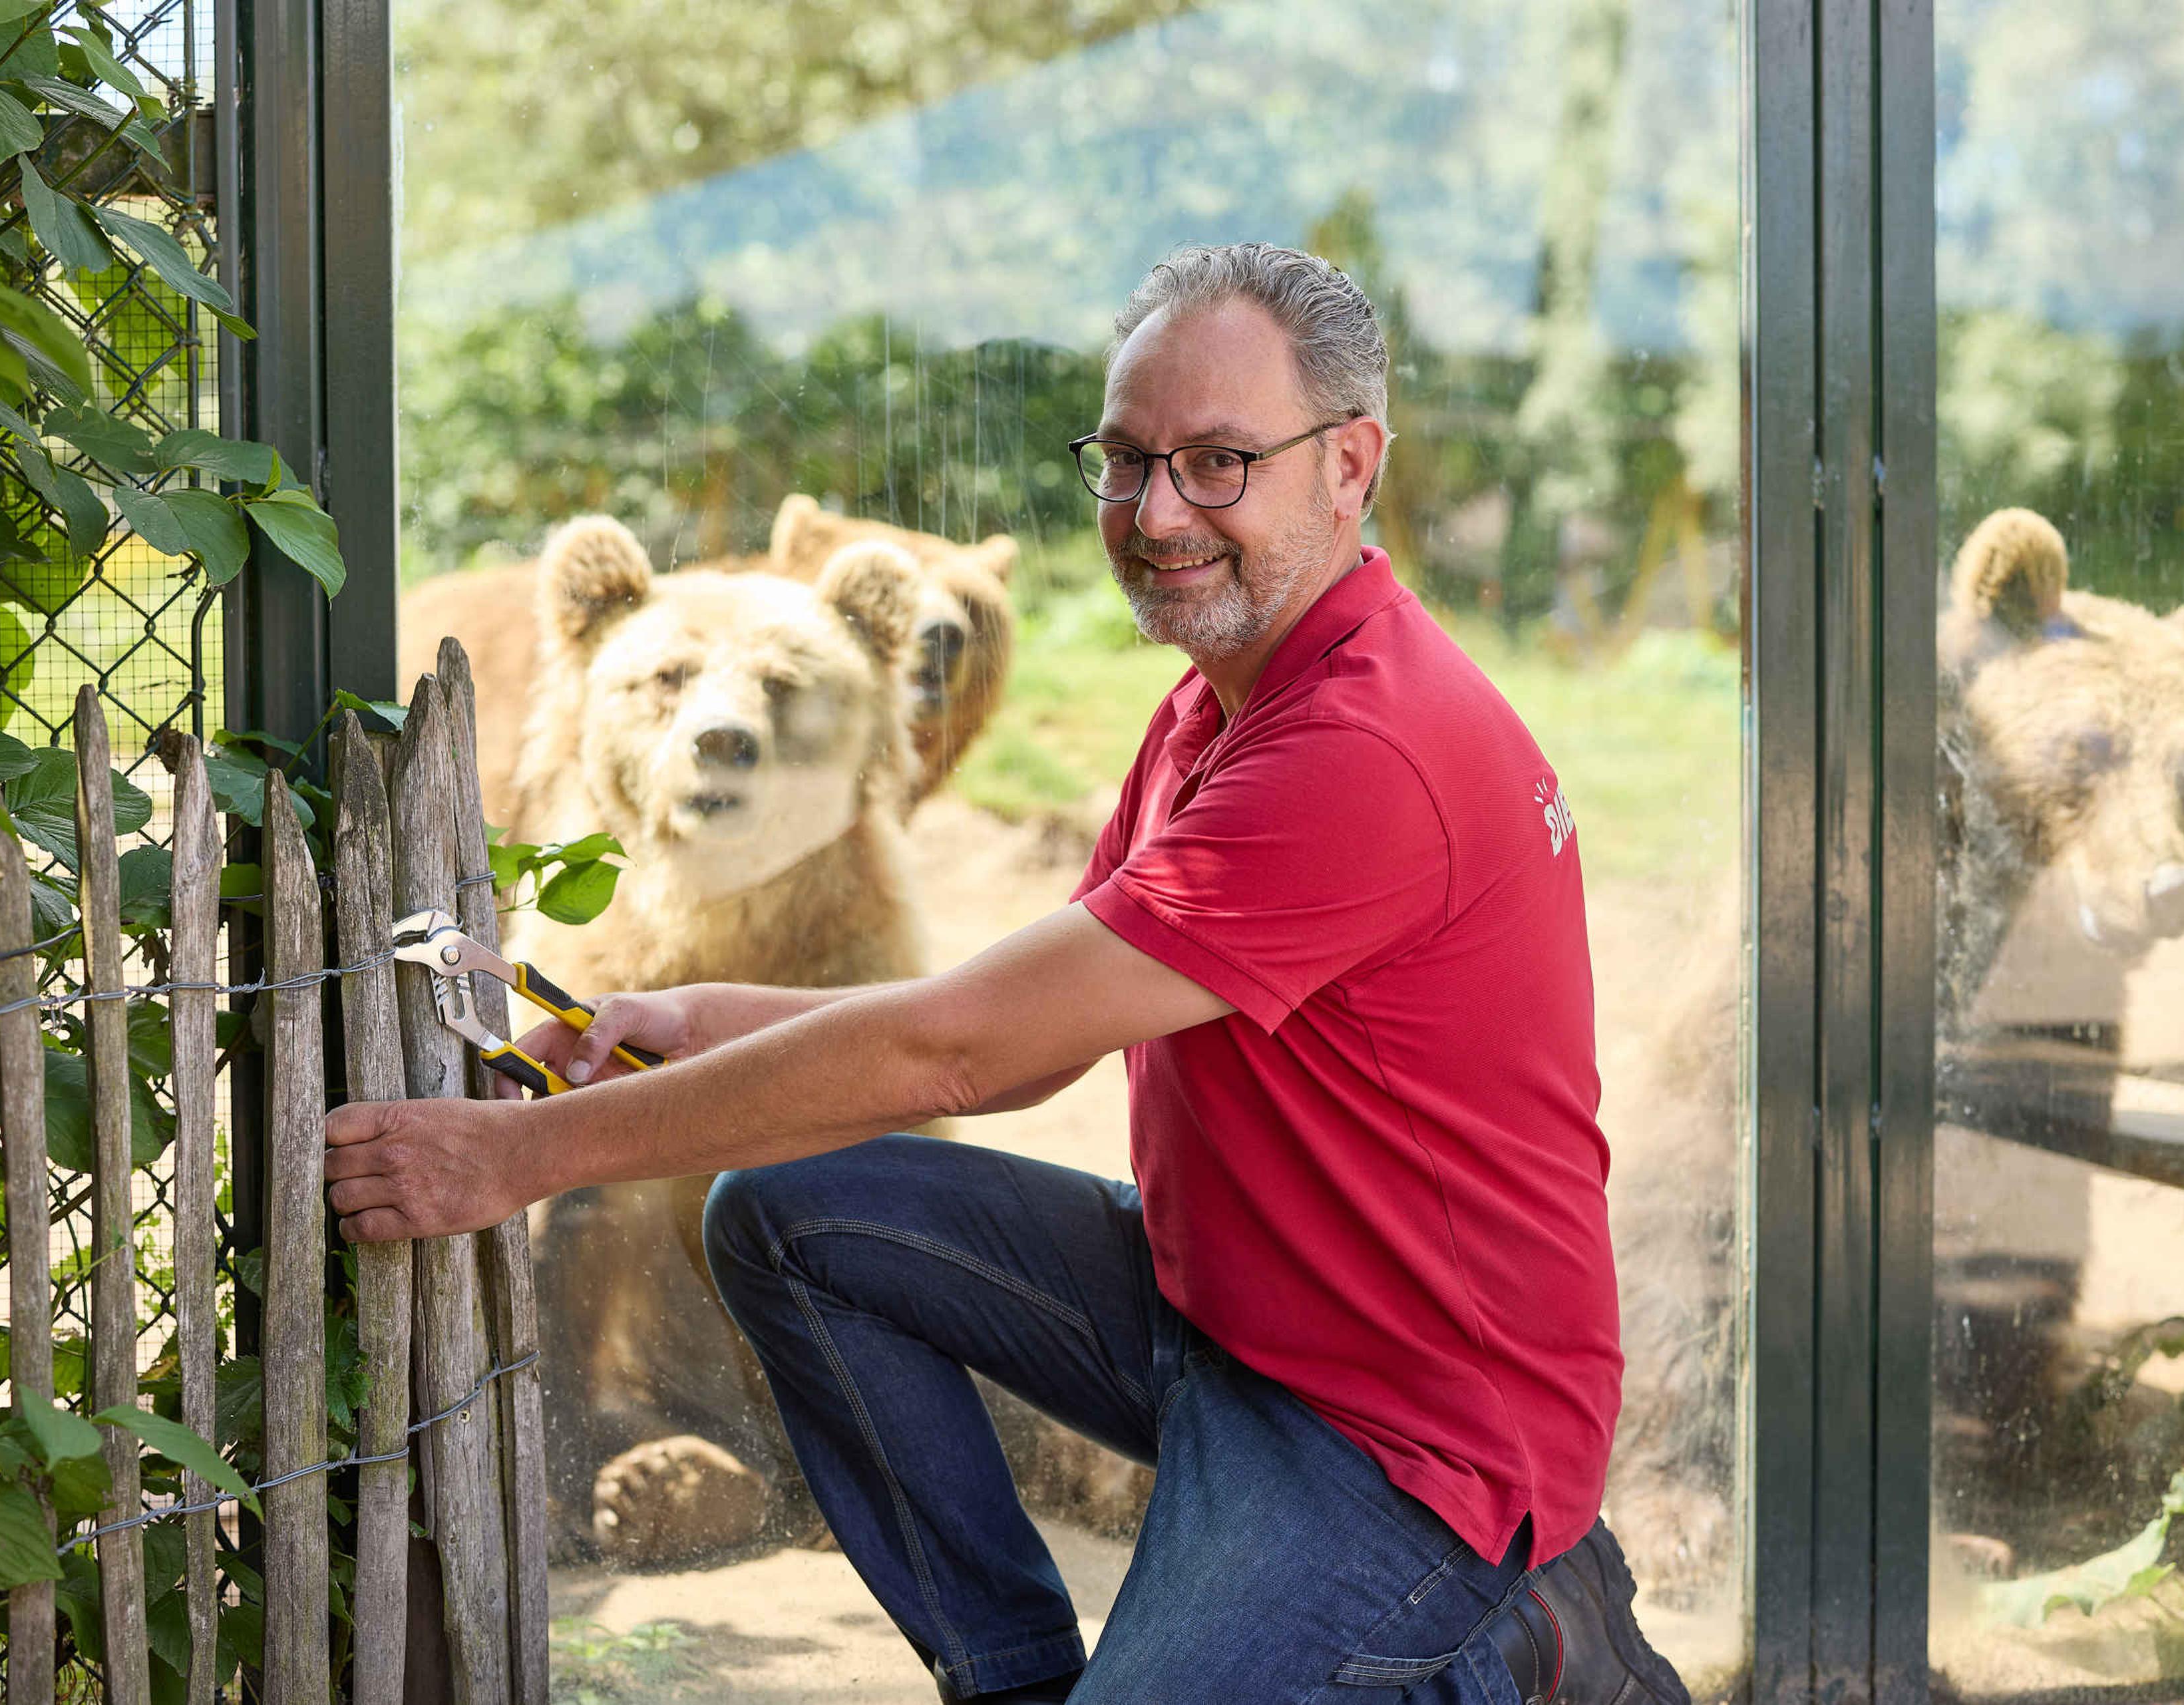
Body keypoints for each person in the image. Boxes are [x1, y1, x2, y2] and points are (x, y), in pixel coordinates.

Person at [325, 243, 1691, 1705]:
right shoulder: (1219, 704)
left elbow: (954, 1062)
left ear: (1349, 466)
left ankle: (1508, 1633)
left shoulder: (1359, 749)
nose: (1157, 513)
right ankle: (1020, 1677)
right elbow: (1023, 1036)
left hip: (1404, 1431)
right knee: (789, 1218)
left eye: (1220, 463)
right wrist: (688, 1019)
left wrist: (515, 1156)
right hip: (1224, 1310)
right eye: (1128, 459)